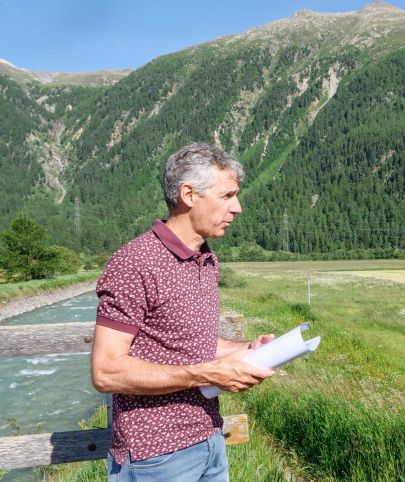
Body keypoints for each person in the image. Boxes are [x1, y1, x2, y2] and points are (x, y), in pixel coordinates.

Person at [91, 142, 275, 481]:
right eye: (227, 196)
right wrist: (206, 374)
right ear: (188, 194)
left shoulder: (205, 258)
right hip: (156, 457)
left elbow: (190, 342)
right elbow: (106, 372)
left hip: (209, 440)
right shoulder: (135, 263)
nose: (237, 208)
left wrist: (246, 350)